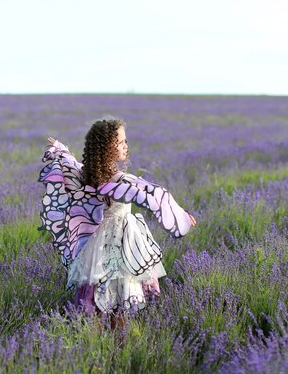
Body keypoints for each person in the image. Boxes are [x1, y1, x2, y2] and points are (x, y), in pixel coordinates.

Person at [38, 118, 196, 328]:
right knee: (121, 300)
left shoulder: (87, 174)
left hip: (96, 245)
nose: (125, 146)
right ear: (107, 147)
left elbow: (71, 164)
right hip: (123, 244)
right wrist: (180, 215)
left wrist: (61, 149)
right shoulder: (119, 179)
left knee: (96, 297)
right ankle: (117, 344)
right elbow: (154, 193)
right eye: (121, 142)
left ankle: (95, 346)